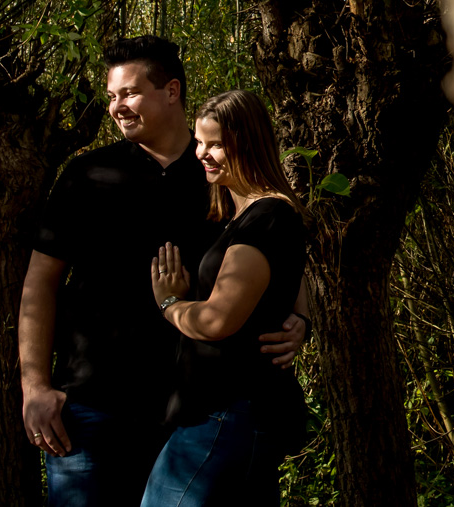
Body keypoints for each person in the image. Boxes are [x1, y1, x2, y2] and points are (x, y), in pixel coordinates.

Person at [18, 37, 310, 507]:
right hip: (93, 405)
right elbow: (39, 283)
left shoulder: (218, 174)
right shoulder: (86, 175)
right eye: (112, 96)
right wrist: (35, 387)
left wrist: (300, 318)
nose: (117, 107)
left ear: (171, 91)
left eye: (129, 93)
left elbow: (277, 248)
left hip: (193, 411)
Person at [143, 90, 308, 507]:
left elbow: (218, 322)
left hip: (226, 412)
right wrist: (302, 319)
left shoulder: (267, 217)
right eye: (200, 142)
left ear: (248, 140)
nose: (203, 153)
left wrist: (170, 304)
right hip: (230, 412)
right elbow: (290, 279)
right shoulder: (245, 215)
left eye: (215, 143)